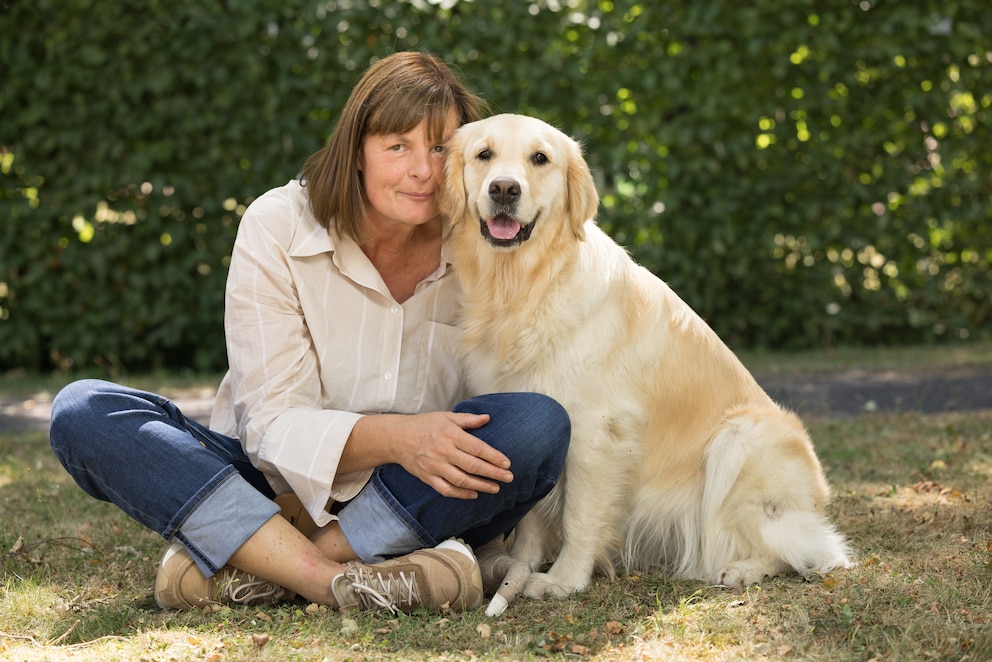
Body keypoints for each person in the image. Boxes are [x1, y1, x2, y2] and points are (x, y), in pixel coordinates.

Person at [49, 51, 570, 614]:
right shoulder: (278, 226)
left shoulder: (486, 238)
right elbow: (270, 424)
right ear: (357, 155)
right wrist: (401, 437)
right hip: (270, 484)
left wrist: (420, 451)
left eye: (441, 148)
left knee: (539, 424)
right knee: (85, 411)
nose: (424, 170)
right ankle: (331, 578)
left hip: (417, 489)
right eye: (397, 146)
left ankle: (257, 563)